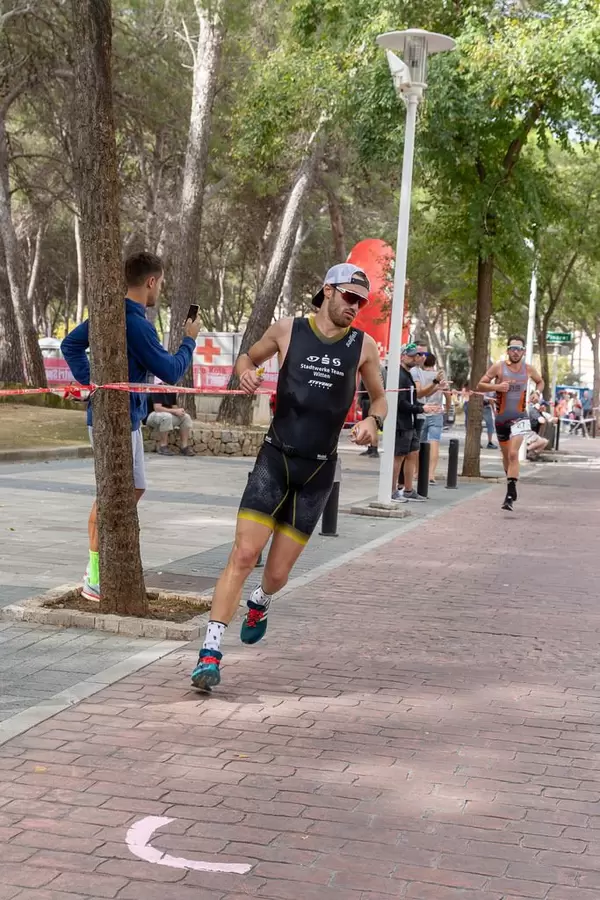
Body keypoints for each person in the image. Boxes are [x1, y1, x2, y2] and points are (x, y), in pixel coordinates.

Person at [190, 263, 387, 690]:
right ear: (328, 291)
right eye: (349, 297)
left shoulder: (364, 346)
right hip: (275, 460)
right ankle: (209, 653)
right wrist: (245, 371)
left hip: (317, 472)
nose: (354, 307)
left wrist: (373, 420)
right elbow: (248, 357)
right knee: (244, 555)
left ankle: (260, 601)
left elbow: (380, 398)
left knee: (276, 575)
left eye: (360, 301)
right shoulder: (288, 330)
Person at [61, 252, 200, 602]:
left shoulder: (116, 315)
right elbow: (171, 371)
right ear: (151, 281)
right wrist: (189, 340)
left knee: (134, 488)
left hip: (130, 418)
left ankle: (107, 567)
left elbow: (71, 344)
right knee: (112, 495)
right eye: (160, 283)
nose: (160, 289)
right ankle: (94, 574)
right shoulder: (135, 322)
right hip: (114, 421)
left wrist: (95, 382)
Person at [477, 334, 544, 511]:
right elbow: (480, 385)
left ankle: (509, 495)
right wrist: (496, 387)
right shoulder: (498, 367)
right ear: (508, 350)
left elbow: (540, 382)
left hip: (520, 417)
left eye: (519, 349)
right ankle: (510, 484)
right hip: (501, 419)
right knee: (507, 456)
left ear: (524, 351)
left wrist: (537, 393)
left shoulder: (528, 369)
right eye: (512, 349)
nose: (515, 352)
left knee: (514, 454)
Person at [392, 344, 447, 503]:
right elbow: (400, 402)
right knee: (398, 457)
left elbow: (415, 397)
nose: (415, 358)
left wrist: (426, 404)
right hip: (401, 422)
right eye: (411, 355)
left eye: (416, 355)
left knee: (412, 454)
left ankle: (408, 490)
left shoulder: (408, 375)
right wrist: (422, 408)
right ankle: (392, 491)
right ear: (402, 356)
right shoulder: (400, 376)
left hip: (411, 421)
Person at [419, 352, 453, 485]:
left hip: (421, 412)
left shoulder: (419, 375)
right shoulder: (439, 376)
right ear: (434, 363)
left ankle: (416, 471)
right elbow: (448, 395)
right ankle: (431, 474)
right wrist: (446, 409)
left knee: (418, 444)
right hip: (437, 412)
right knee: (434, 443)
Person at [145, 391, 195, 455]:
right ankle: (163, 446)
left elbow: (174, 407)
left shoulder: (171, 390)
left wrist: (179, 411)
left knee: (186, 417)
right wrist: (174, 411)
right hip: (151, 416)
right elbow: (157, 408)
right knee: (167, 417)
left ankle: (184, 447)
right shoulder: (157, 389)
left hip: (166, 416)